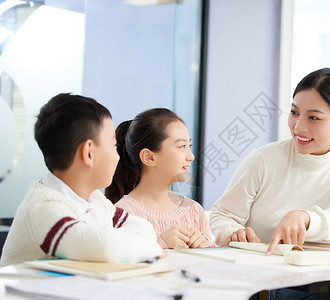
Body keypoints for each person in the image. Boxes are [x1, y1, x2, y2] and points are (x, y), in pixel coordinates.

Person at [210, 68, 330, 256]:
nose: (298, 127)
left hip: (315, 275)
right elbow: (223, 215)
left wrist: (305, 218)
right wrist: (232, 233)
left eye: (313, 118)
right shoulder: (263, 160)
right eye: (294, 112)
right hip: (256, 272)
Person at [0, 93, 162, 266]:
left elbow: (144, 227)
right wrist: (153, 249)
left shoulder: (95, 200)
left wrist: (142, 243)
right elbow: (103, 247)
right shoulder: (42, 207)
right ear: (89, 152)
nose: (117, 157)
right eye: (114, 146)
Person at [105, 108, 214, 249]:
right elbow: (117, 262)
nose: (191, 156)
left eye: (189, 145)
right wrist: (159, 243)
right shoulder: (121, 214)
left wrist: (206, 247)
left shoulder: (194, 211)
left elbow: (207, 268)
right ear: (149, 157)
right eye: (182, 146)